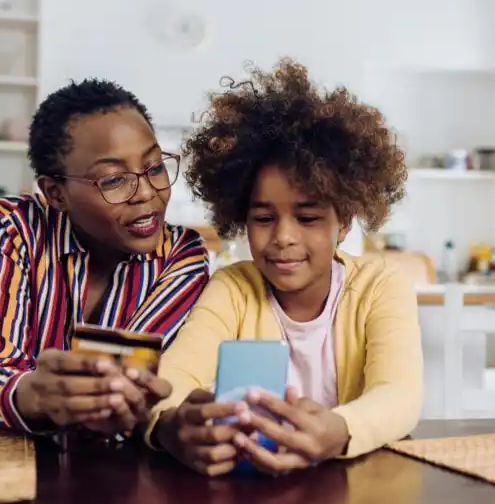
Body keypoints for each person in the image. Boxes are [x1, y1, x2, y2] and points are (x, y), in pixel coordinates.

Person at [147, 58, 423, 476]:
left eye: (308, 218)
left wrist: (338, 430)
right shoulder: (233, 289)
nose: (283, 237)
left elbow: (400, 396)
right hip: (248, 499)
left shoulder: (380, 286)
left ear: (343, 221)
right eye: (263, 218)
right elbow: (173, 380)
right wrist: (170, 426)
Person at [0, 78, 210, 435]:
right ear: (56, 193)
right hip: (7, 461)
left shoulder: (181, 256)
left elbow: (126, 387)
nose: (147, 193)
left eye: (154, 168)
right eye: (113, 180)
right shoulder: (13, 229)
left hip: (114, 473)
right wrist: (36, 396)